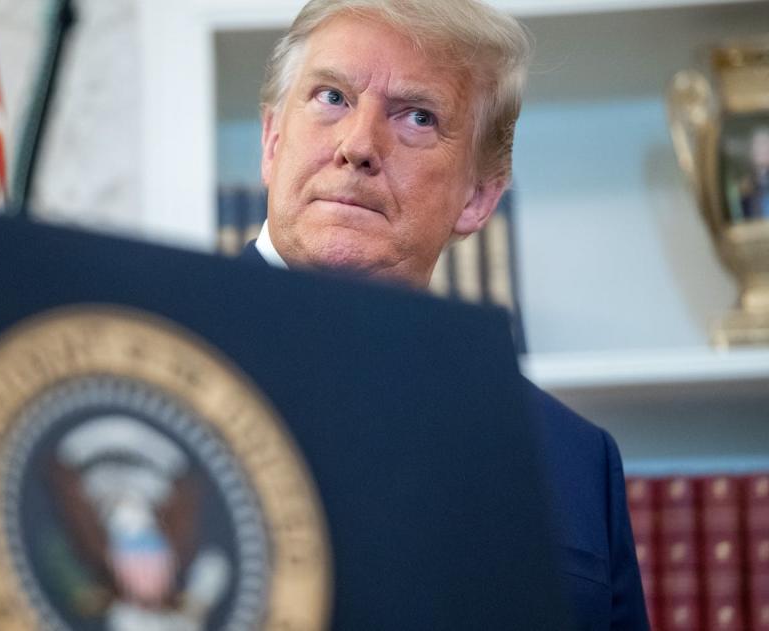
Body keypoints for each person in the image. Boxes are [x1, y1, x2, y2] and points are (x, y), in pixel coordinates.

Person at [239, 1, 650, 629]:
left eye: (418, 116)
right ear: (272, 141)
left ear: (479, 197)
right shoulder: (140, 360)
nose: (358, 146)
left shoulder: (575, 461)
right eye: (331, 96)